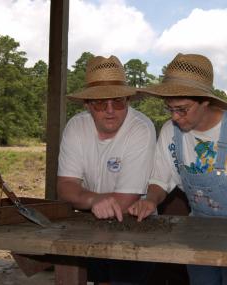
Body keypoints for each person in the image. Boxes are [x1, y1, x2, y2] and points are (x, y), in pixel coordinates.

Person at [128, 53, 227, 285]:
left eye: (182, 109)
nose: (175, 117)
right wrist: (150, 200)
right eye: (170, 109)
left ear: (205, 101)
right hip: (199, 226)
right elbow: (161, 178)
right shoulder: (170, 132)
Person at [57, 55, 156, 284]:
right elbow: (64, 188)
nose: (110, 110)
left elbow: (126, 200)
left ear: (128, 101)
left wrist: (84, 199)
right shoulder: (76, 126)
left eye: (118, 102)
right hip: (91, 221)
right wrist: (94, 201)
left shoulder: (141, 129)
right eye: (101, 103)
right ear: (88, 105)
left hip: (135, 227)